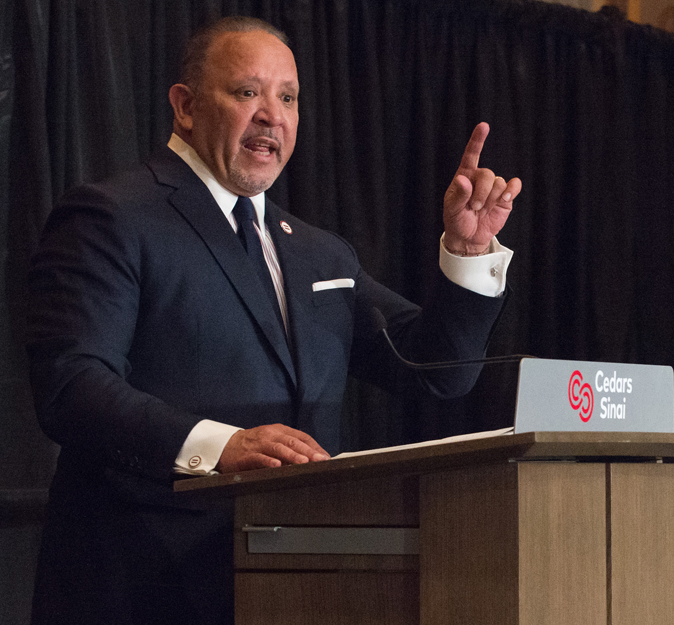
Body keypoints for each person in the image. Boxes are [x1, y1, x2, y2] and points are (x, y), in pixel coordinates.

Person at [26, 16, 521, 625]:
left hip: (298, 583)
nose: (272, 115)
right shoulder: (113, 218)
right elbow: (71, 386)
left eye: (287, 97)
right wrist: (221, 445)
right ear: (185, 106)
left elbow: (436, 370)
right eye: (247, 92)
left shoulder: (318, 251)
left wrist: (467, 257)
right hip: (142, 585)